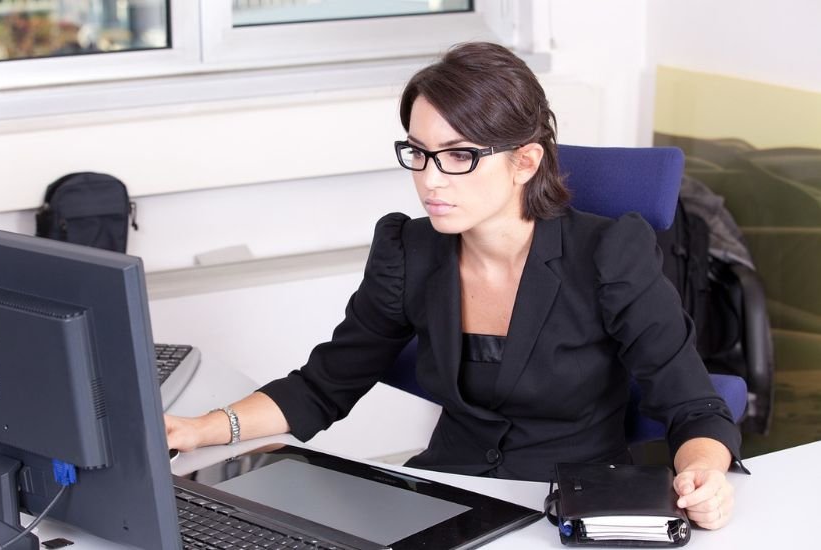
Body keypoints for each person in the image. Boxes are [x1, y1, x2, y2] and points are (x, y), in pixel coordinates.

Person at [165, 42, 740, 530]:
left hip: (564, 508)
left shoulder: (609, 254)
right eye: (419, 153)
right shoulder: (409, 251)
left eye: (459, 156)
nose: (430, 180)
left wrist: (705, 474)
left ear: (525, 161)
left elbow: (695, 406)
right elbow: (324, 386)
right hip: (445, 498)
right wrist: (200, 428)